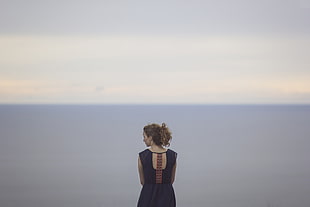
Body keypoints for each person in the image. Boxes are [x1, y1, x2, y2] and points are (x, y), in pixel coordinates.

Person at [137, 123, 177, 207]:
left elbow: (142, 181)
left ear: (150, 137)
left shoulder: (143, 156)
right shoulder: (172, 155)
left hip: (148, 195)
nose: (143, 140)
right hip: (167, 195)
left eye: (144, 136)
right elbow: (171, 180)